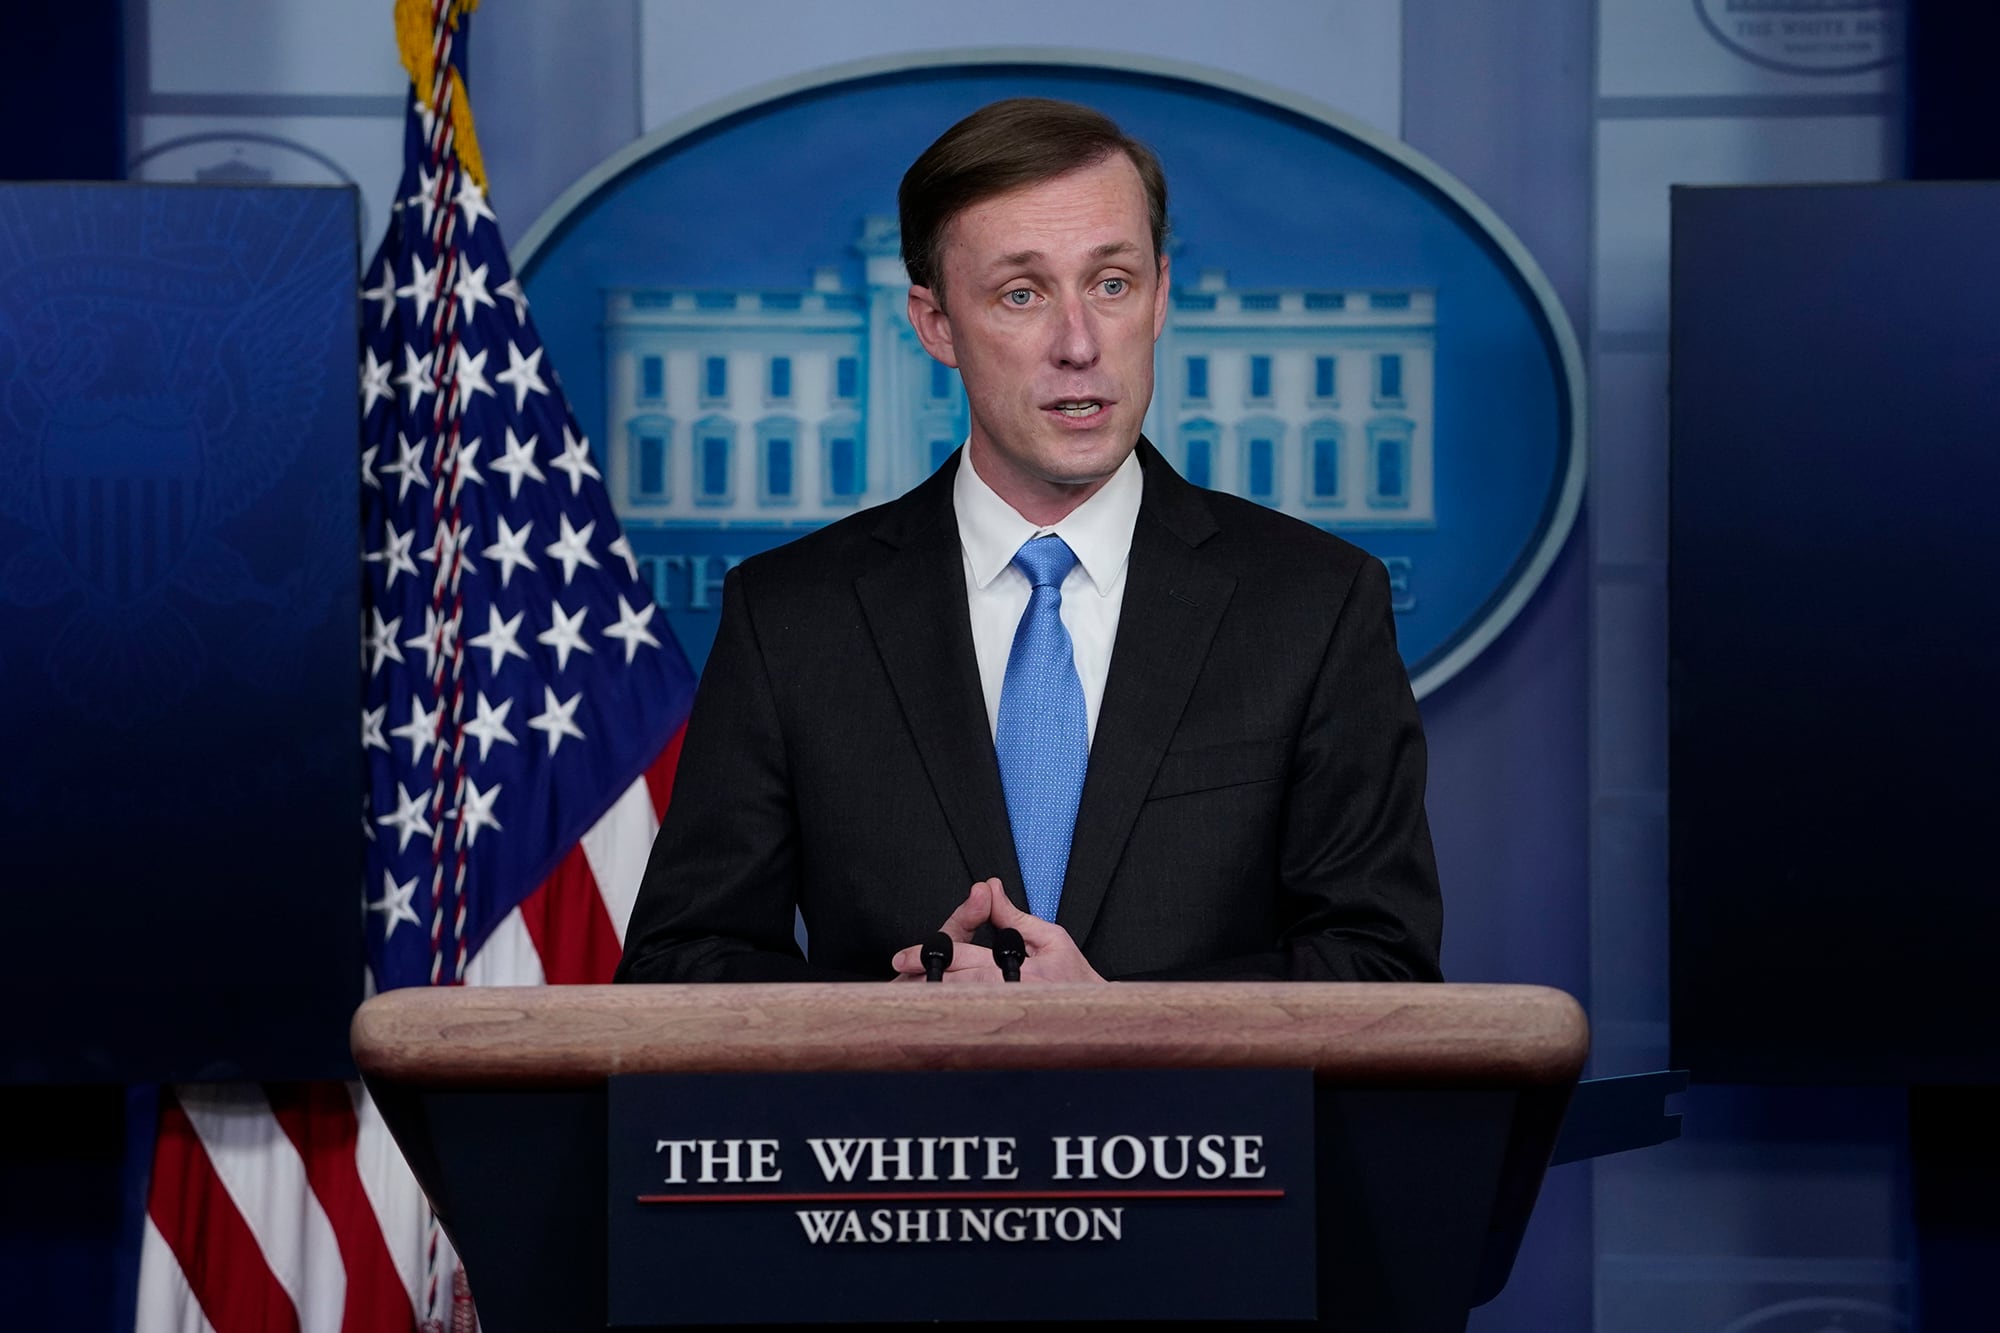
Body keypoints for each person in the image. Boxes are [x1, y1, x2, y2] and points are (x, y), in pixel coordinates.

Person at [615, 98, 1441, 985]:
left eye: (1111, 284)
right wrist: (884, 1028)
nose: (1079, 344)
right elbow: (681, 966)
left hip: (1206, 1128)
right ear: (936, 326)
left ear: (1160, 297)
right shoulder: (789, 617)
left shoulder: (1314, 604)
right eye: (1022, 293)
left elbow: (1382, 967)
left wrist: (1121, 1024)